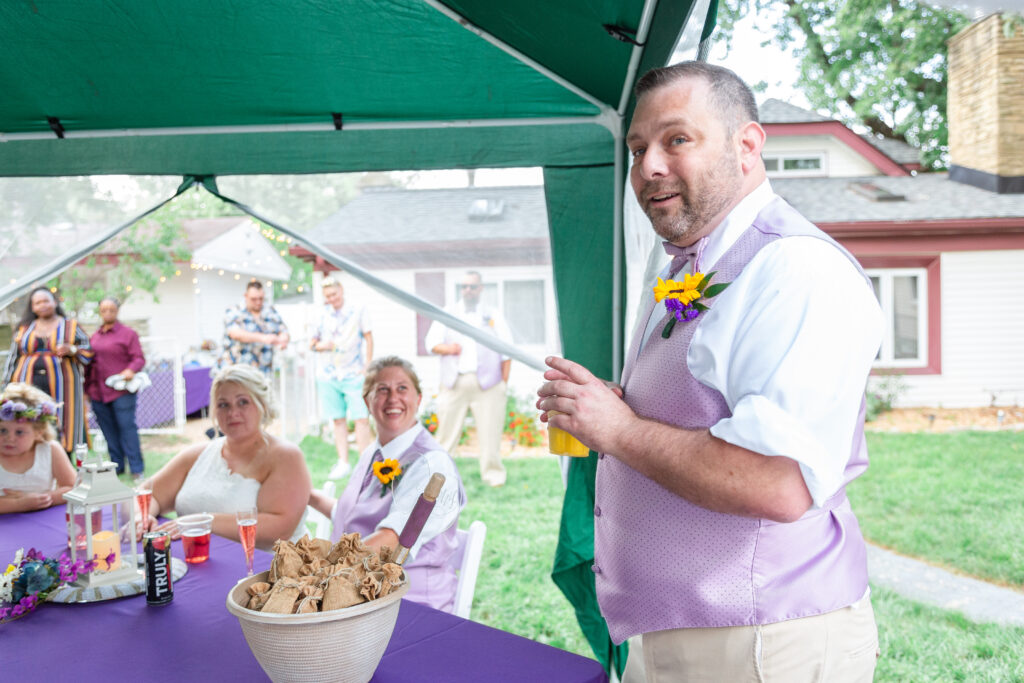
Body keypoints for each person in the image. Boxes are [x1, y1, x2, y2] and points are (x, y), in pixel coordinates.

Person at [537, 62, 882, 682]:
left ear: (747, 145)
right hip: (672, 632)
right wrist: (612, 407)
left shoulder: (797, 271)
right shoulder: (679, 267)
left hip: (767, 642)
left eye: (676, 139)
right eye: (638, 147)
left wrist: (619, 431)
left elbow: (776, 482)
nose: (648, 167)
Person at [308, 356, 466, 612]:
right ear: (366, 401)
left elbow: (392, 539)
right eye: (382, 389)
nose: (393, 398)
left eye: (402, 388)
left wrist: (318, 576)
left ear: (418, 398)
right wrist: (308, 496)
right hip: (363, 594)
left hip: (410, 603)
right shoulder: (374, 452)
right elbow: (354, 518)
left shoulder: (431, 464)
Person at [138, 364, 310, 550]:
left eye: (243, 402)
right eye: (223, 405)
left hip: (270, 570)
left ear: (263, 405)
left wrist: (204, 522)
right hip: (198, 563)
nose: (232, 413)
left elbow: (279, 530)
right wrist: (142, 517)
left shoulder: (285, 456)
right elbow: (145, 494)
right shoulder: (196, 455)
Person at [425, 271, 512, 487]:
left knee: (491, 434)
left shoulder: (492, 314)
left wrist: (502, 384)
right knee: (446, 435)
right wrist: (448, 348)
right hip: (454, 383)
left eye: (472, 286)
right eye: (464, 287)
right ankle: (438, 477)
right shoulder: (448, 313)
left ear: (481, 288)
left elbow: (507, 350)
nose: (468, 291)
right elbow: (431, 343)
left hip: (488, 385)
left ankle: (494, 477)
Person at [3, 287, 94, 454]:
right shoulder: (24, 328)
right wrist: (6, 385)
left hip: (64, 386)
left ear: (54, 302)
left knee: (65, 420)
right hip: (27, 386)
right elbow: (12, 357)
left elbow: (88, 353)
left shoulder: (70, 326)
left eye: (46, 301)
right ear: (32, 307)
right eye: (37, 303)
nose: (42, 305)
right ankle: (32, 458)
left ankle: (65, 460)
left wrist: (72, 350)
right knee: (30, 419)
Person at [309, 277, 373, 480]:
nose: (331, 298)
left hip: (353, 372)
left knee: (361, 418)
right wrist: (323, 345)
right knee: (337, 419)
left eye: (334, 294)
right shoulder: (320, 314)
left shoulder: (358, 309)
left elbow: (369, 337)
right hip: (328, 374)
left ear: (341, 291)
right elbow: (312, 344)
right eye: (327, 296)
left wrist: (367, 367)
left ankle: (364, 464)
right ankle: (343, 462)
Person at [84, 297, 146, 482]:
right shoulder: (95, 337)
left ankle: (137, 469)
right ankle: (116, 466)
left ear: (117, 311)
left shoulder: (128, 334)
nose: (108, 313)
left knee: (127, 428)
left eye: (111, 309)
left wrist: (129, 370)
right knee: (108, 431)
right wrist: (86, 389)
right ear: (100, 312)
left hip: (121, 391)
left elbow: (139, 358)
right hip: (97, 392)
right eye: (104, 310)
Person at [0, 383, 77, 514]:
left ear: (38, 433)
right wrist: (19, 504)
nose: (9, 438)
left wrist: (44, 499)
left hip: (44, 518)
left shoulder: (50, 450)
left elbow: (74, 487)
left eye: (19, 432)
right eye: (2, 430)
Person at [219, 280, 289, 376]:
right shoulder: (234, 311)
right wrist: (263, 338)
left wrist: (282, 340)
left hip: (263, 372)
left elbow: (283, 330)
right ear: (246, 296)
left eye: (261, 298)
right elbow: (235, 333)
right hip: (237, 372)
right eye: (254, 299)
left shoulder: (270, 311)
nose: (258, 302)